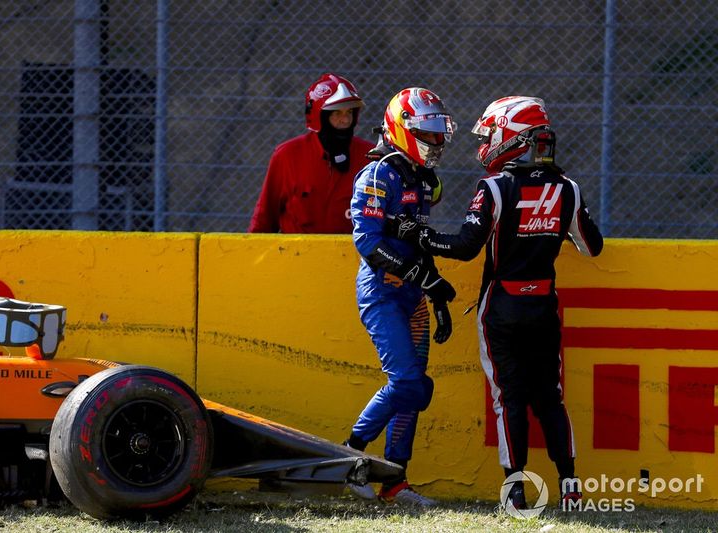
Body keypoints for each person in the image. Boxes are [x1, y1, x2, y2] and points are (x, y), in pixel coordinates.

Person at [392, 96, 603, 510]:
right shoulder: (568, 188)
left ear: (513, 137)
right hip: (545, 305)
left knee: (509, 401)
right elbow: (592, 247)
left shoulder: (494, 187)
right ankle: (571, 487)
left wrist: (415, 234)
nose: (486, 142)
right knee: (550, 397)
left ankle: (516, 493)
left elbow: (465, 247)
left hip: (501, 308)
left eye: (490, 134)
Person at [344, 87, 458, 507]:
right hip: (382, 292)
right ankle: (352, 456)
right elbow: (369, 244)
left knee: (413, 393)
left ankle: (395, 482)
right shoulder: (376, 175)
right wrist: (425, 281)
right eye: (427, 134)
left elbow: (420, 243)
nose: (436, 143)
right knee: (411, 384)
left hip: (413, 295)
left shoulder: (423, 179)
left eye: (439, 134)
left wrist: (436, 297)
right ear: (402, 129)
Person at [248, 73, 375, 233]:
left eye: (349, 112)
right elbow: (264, 220)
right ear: (319, 116)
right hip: (296, 256)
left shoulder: (370, 158)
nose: (345, 120)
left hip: (353, 256)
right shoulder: (287, 156)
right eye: (337, 113)